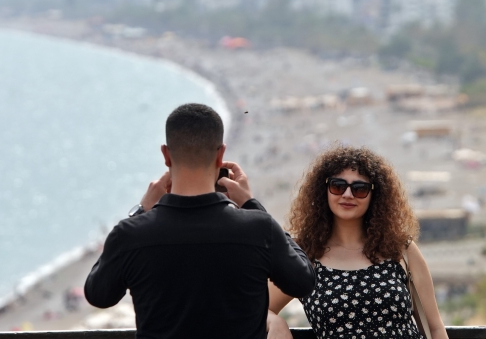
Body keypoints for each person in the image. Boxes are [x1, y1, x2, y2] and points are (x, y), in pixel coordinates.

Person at [84, 103, 316, 339]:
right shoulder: (258, 230)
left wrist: (141, 211)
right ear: (220, 155)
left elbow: (98, 295)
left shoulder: (130, 235)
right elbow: (303, 281)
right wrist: (251, 205)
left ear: (166, 155)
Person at [266, 145, 448, 339]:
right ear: (324, 190)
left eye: (360, 189)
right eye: (338, 186)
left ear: (374, 195)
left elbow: (435, 329)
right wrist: (276, 323)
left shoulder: (401, 249)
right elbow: (253, 307)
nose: (347, 195)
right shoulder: (305, 255)